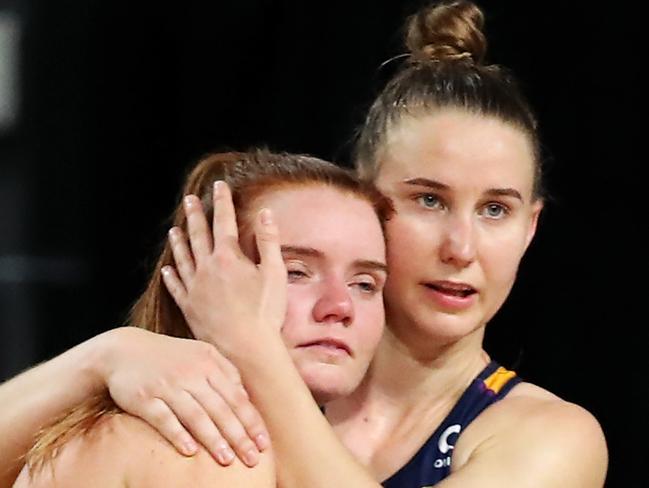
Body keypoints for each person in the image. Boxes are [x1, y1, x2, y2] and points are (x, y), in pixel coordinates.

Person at [0, 1, 608, 487]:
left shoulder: (549, 436)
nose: (460, 247)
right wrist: (104, 356)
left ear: (530, 227)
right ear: (363, 201)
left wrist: (251, 347)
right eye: (428, 199)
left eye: (495, 209)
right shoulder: (219, 416)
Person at [10, 149, 392, 487]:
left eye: (365, 284)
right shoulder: (205, 450)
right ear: (201, 275)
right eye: (295, 271)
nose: (340, 307)